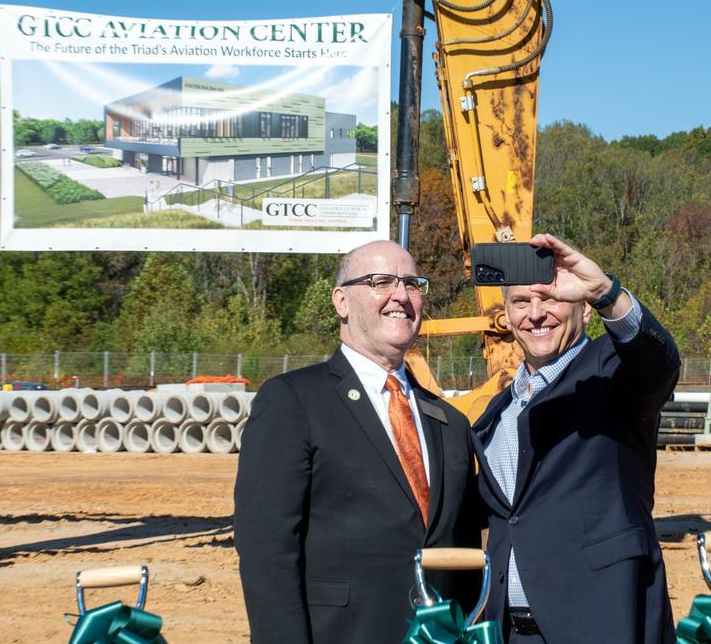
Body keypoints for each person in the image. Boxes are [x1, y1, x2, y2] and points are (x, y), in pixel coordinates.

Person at [234, 240, 480, 644]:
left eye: (412, 284)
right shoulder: (293, 401)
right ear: (341, 301)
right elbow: (267, 550)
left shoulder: (450, 422)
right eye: (381, 281)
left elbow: (462, 550)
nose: (401, 296)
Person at [472, 233, 680, 643]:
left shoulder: (611, 373)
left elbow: (658, 364)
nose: (535, 313)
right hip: (507, 632)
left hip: (600, 624)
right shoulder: (494, 414)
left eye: (550, 298)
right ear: (508, 317)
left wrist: (605, 291)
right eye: (520, 302)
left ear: (584, 311)